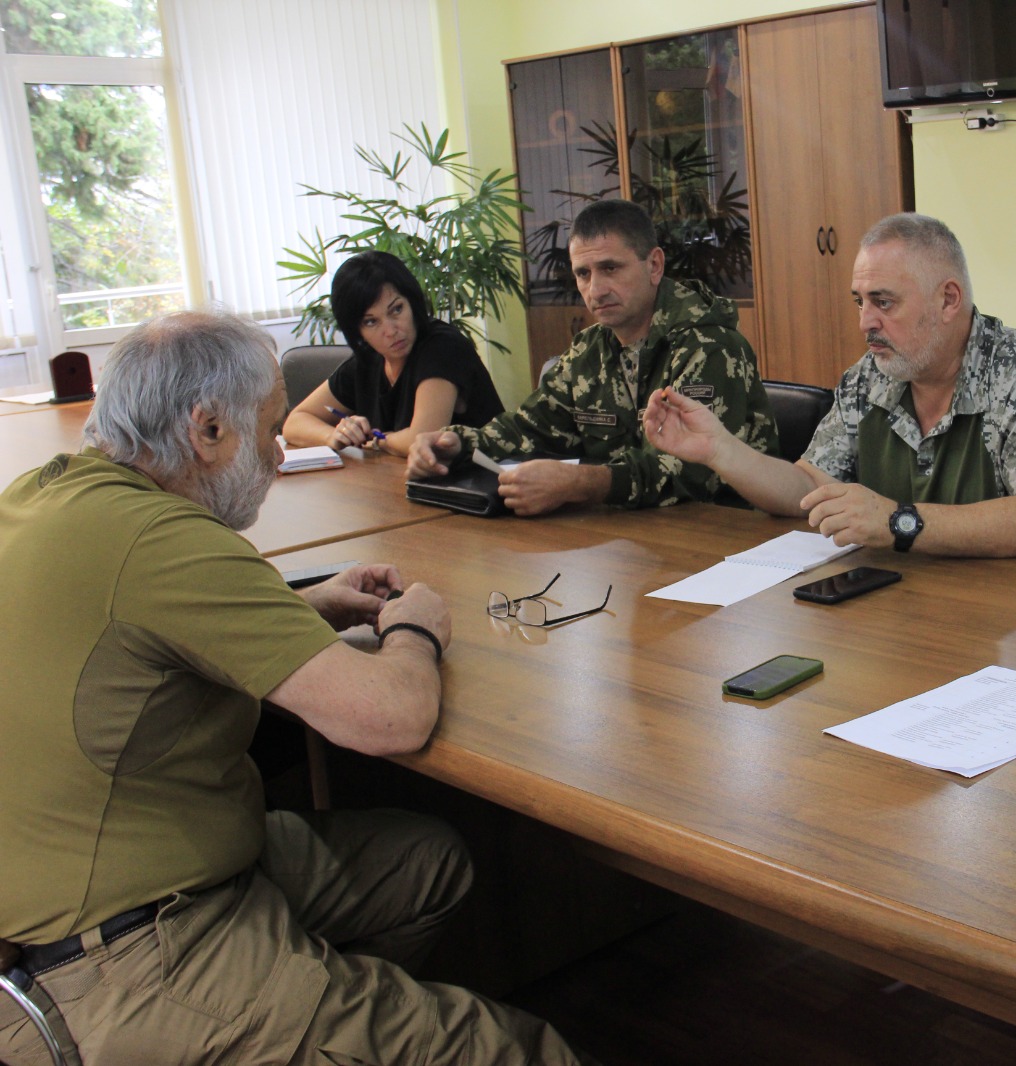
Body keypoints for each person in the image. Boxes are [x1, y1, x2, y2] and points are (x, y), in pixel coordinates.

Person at [0, 312, 583, 1065]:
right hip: (123, 953)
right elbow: (391, 718)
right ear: (208, 429)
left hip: (105, 883)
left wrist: (299, 609)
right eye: (270, 429)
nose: (279, 453)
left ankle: (312, 1019)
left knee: (426, 864)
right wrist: (415, 630)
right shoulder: (166, 541)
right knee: (517, 1052)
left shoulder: (45, 496)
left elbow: (140, 630)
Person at [642, 212, 1016, 559]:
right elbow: (808, 488)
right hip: (907, 603)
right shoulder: (869, 376)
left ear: (948, 300)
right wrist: (720, 450)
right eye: (860, 302)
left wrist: (898, 521)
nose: (865, 322)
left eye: (884, 303)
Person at [406, 198, 778, 515]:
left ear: (654, 265)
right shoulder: (589, 348)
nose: (595, 290)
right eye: (583, 274)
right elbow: (531, 428)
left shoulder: (709, 345)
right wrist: (457, 443)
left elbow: (688, 474)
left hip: (728, 538)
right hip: (626, 536)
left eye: (610, 268)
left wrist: (580, 483)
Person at [283, 250, 504, 455]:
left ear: (413, 302)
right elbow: (295, 422)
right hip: (404, 479)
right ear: (357, 331)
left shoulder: (442, 346)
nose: (391, 331)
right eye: (371, 322)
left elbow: (422, 440)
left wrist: (376, 441)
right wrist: (334, 435)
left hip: (489, 477)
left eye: (397, 309)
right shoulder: (368, 360)